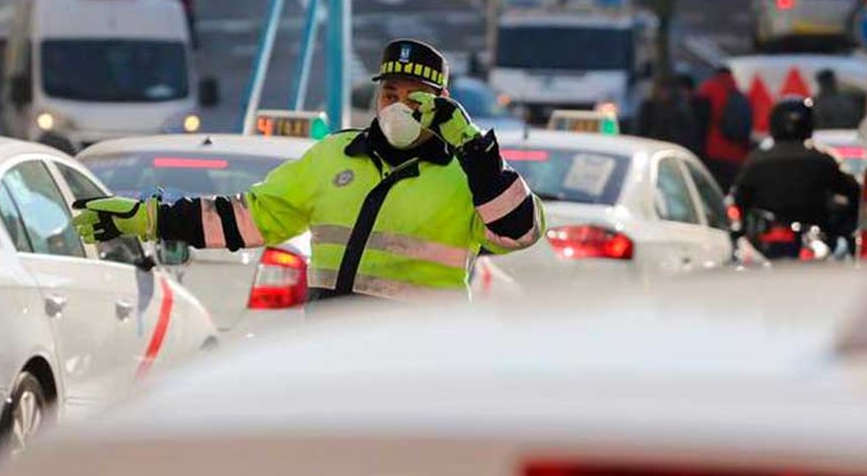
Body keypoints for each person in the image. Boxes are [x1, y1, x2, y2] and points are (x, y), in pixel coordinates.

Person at [72, 39, 546, 303]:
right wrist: (149, 218)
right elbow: (248, 218)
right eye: (389, 95)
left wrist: (473, 148)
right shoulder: (334, 157)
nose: (397, 107)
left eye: (413, 98)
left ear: (441, 104)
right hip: (331, 354)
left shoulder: (468, 172)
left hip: (419, 363)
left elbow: (519, 231)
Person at [732, 97, 860, 257]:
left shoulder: (755, 160)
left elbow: (739, 199)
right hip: (810, 239)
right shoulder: (822, 159)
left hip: (770, 241)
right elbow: (854, 192)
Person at [693, 67, 750, 189]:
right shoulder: (739, 93)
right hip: (737, 154)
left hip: (714, 151)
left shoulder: (708, 90)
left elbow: (699, 122)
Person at [636, 74, 702, 156]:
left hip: (673, 152)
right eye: (661, 89)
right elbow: (640, 130)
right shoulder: (649, 107)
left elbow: (689, 137)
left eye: (667, 89)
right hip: (650, 149)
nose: (664, 93)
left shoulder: (680, 110)